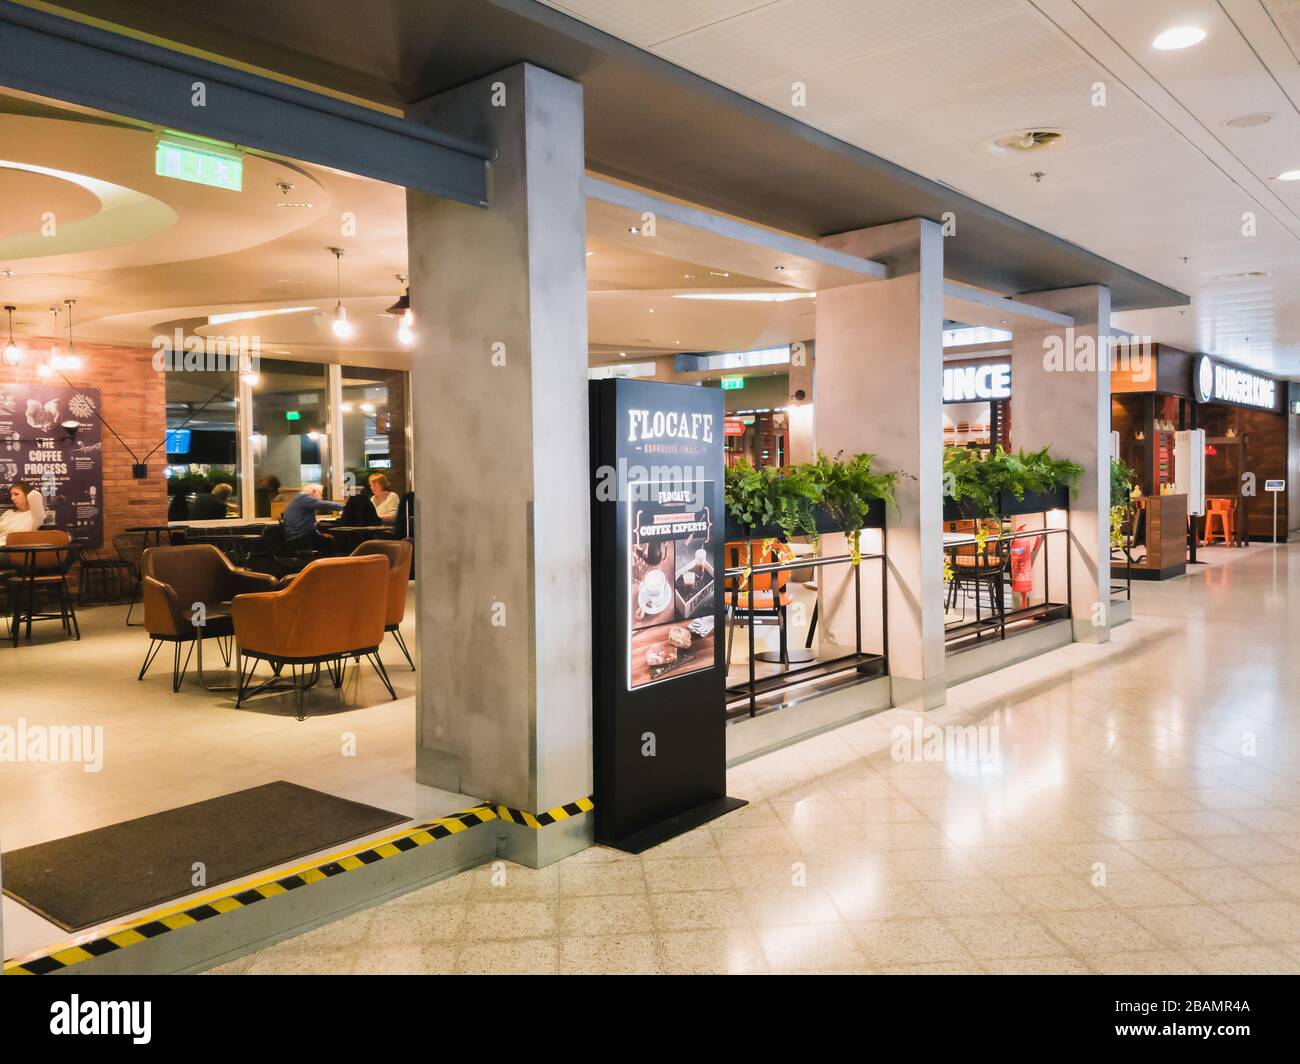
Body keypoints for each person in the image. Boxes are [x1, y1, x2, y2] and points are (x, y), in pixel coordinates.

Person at [282, 483, 343, 550]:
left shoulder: (299, 499)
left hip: (296, 537)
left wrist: (319, 534)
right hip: (301, 538)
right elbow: (326, 504)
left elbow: (309, 526)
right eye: (320, 494)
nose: (321, 497)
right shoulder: (305, 498)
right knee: (335, 541)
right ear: (314, 491)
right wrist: (346, 507)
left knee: (329, 539)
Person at [0, 481, 47, 547]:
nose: (12, 498)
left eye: (16, 494)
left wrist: (28, 489)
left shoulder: (35, 515)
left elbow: (35, 495)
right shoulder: (8, 513)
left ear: (27, 495)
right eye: (11, 495)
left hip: (15, 552)